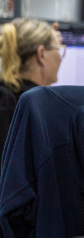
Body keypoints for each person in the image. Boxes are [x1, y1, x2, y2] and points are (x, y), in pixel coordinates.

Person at [0, 17, 64, 156]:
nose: (60, 57)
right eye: (58, 49)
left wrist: (51, 40)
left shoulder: (8, 96)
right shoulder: (41, 108)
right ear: (41, 54)